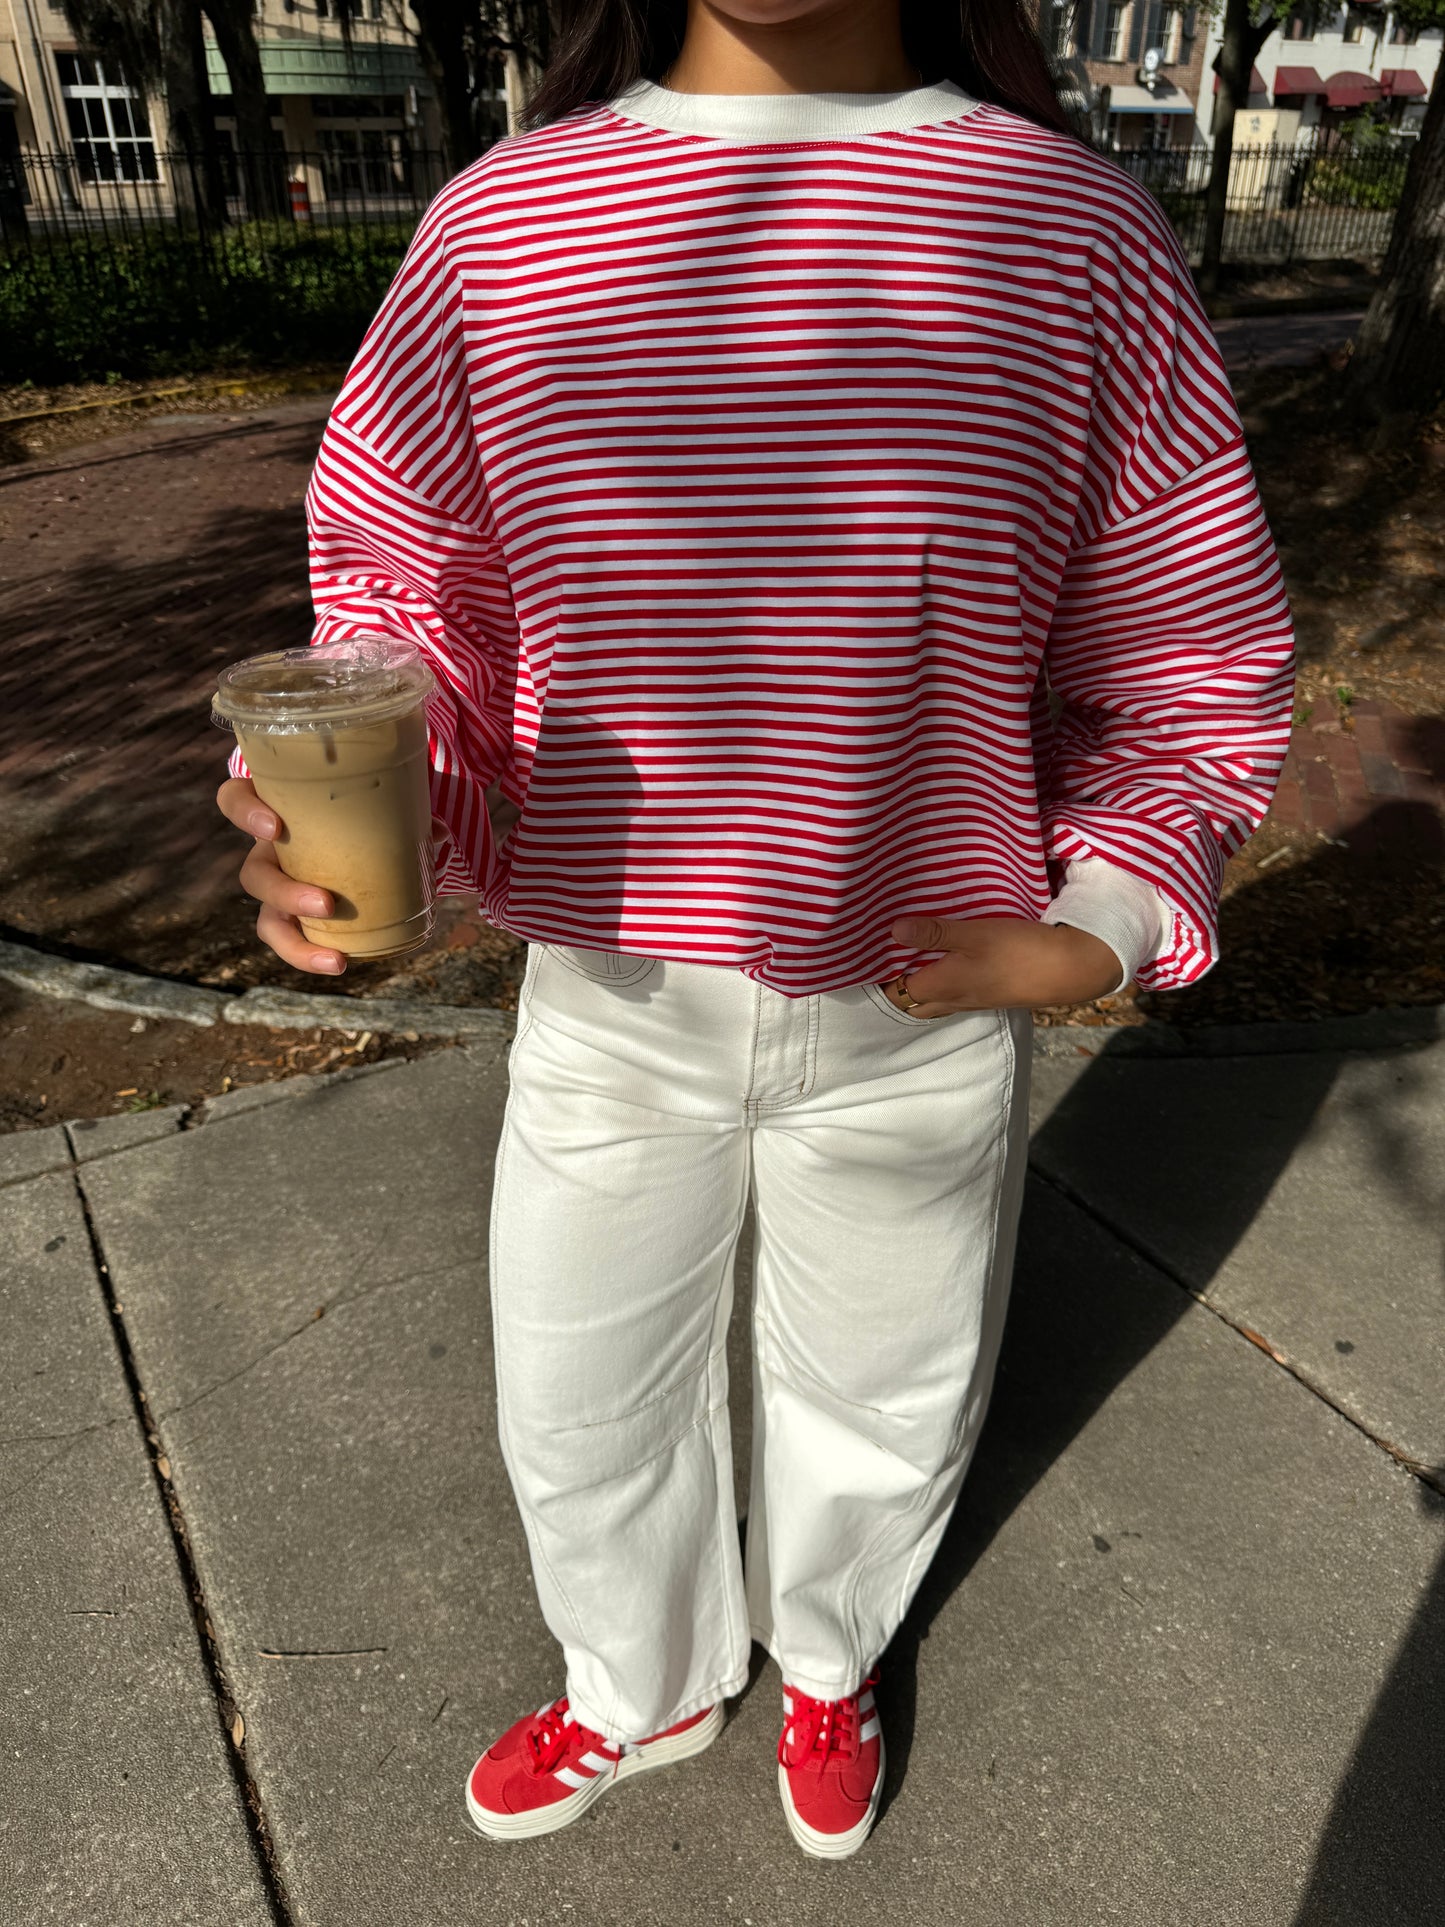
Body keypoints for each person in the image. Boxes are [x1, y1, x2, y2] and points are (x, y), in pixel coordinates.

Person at [217, 0, 1295, 1862]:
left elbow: (1186, 635)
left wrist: (1107, 918)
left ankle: (825, 1657)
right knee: (571, 1390)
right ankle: (635, 1685)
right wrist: (343, 804)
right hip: (614, 995)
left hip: (921, 993)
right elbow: (405, 602)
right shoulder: (504, 220)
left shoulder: (1070, 230)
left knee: (886, 1387)